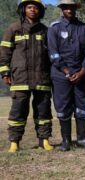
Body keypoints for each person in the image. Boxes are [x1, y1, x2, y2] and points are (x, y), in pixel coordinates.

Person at [0, 0, 53, 153]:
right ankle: (14, 142)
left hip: (41, 78)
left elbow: (50, 54)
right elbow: (4, 53)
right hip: (20, 77)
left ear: (40, 11)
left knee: (43, 111)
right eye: (29, 7)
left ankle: (44, 140)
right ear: (23, 9)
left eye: (36, 7)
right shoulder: (14, 28)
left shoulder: (44, 30)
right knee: (18, 111)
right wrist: (5, 72)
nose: (33, 10)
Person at [48, 0, 85, 151]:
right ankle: (66, 141)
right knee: (63, 107)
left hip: (82, 75)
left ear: (76, 8)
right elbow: (53, 54)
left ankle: (82, 139)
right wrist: (67, 72)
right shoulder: (54, 28)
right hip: (61, 75)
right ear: (62, 9)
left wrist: (82, 71)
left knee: (82, 107)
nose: (69, 9)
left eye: (72, 7)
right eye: (66, 7)